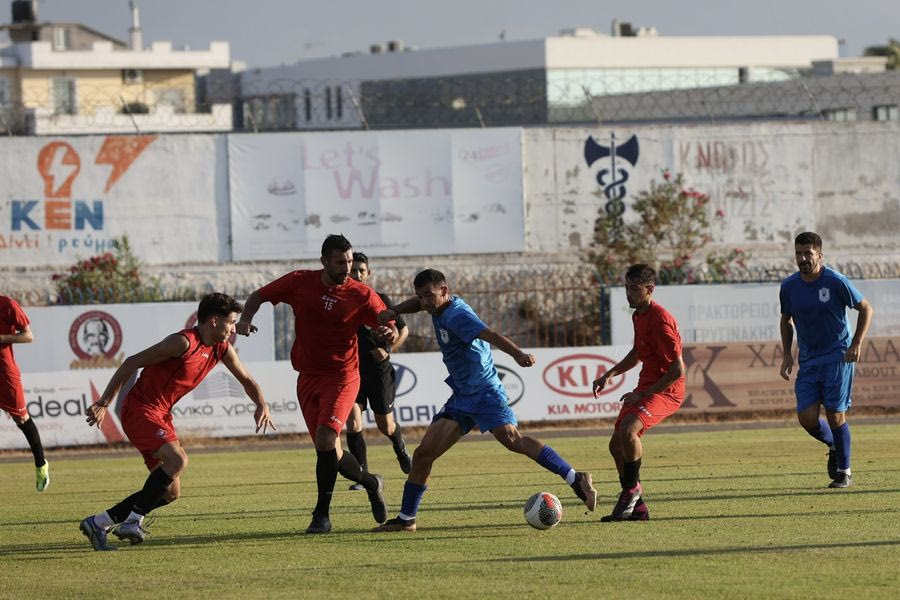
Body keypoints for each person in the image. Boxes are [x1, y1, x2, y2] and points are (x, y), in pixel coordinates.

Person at [373, 268, 597, 533]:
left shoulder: (457, 315)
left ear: (444, 291)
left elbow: (489, 334)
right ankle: (406, 519)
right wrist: (396, 310)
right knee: (423, 454)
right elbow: (418, 304)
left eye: (428, 296)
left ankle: (575, 478)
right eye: (420, 296)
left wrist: (518, 354)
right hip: (462, 395)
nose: (423, 302)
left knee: (513, 440)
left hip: (484, 391)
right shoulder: (436, 306)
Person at [80, 293, 274, 551]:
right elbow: (131, 362)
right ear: (214, 321)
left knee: (170, 492)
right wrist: (104, 402)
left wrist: (261, 403)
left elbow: (248, 380)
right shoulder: (182, 343)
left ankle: (98, 522)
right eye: (231, 322)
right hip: (140, 409)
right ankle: (132, 521)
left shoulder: (221, 348)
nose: (233, 328)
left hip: (161, 414)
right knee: (178, 460)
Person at [237, 234, 399, 534]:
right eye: (340, 262)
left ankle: (321, 515)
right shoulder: (300, 281)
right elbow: (259, 295)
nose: (346, 267)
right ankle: (370, 481)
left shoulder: (360, 293)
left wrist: (388, 332)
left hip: (343, 376)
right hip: (308, 377)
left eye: (349, 261)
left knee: (326, 439)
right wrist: (245, 319)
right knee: (331, 453)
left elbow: (384, 319)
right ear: (324, 260)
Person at [779, 231, 873, 489]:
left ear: (819, 255)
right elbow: (786, 319)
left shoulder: (835, 281)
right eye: (798, 253)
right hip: (809, 360)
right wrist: (787, 353)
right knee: (806, 418)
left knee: (836, 415)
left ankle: (845, 472)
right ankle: (833, 444)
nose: (802, 258)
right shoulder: (788, 287)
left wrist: (856, 343)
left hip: (837, 357)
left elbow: (866, 308)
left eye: (807, 253)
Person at [592, 264, 685, 522]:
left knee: (628, 430)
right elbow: (637, 353)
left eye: (634, 289)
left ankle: (631, 491)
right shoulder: (639, 315)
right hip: (648, 386)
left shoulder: (661, 319)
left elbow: (677, 370)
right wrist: (609, 374)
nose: (628, 294)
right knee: (615, 445)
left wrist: (643, 395)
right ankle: (638, 508)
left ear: (649, 289)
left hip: (667, 390)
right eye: (626, 288)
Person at [345, 252, 412, 490]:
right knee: (353, 423)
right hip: (351, 372)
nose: (357, 274)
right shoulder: (341, 300)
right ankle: (363, 477)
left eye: (362, 270)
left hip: (378, 371)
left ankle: (400, 448)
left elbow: (403, 330)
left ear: (368, 273)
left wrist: (389, 349)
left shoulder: (379, 299)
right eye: (354, 270)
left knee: (386, 426)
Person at [0, 295, 49, 492]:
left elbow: (28, 335)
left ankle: (41, 464)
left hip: (4, 372)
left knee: (21, 419)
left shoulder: (8, 305)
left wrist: (2, 338)